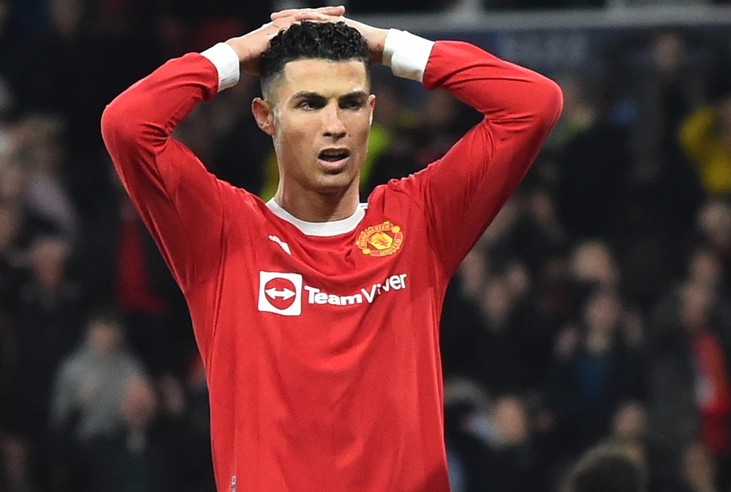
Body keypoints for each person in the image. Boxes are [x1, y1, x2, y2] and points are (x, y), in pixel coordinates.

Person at [101, 6, 562, 491]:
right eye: (309, 104)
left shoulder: (420, 222)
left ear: (372, 111)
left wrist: (386, 45)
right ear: (265, 117)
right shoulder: (223, 234)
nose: (335, 124)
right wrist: (237, 52)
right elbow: (127, 125)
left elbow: (534, 104)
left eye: (350, 102)